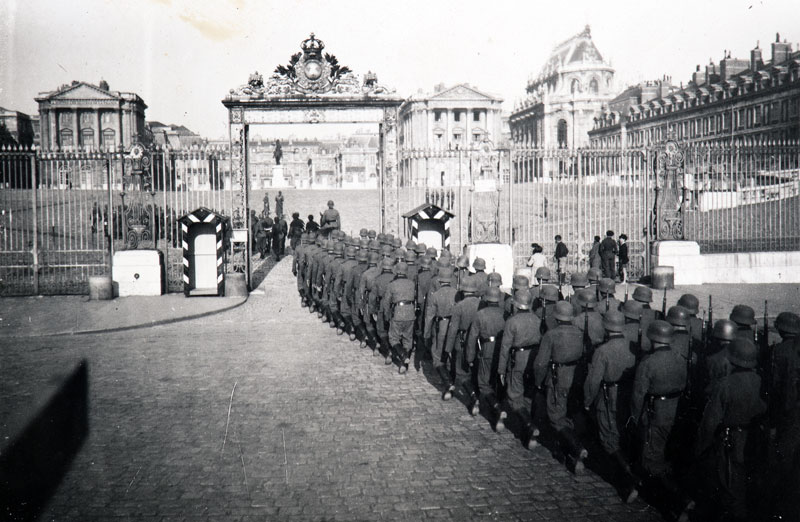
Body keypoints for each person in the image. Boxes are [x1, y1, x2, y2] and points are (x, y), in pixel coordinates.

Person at [695, 338, 765, 521]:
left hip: (731, 440)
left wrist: (702, 447)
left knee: (729, 482)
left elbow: (710, 422)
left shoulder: (724, 384)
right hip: (754, 437)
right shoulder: (759, 380)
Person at [535, 301, 588, 472]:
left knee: (556, 417)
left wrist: (538, 381)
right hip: (576, 378)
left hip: (557, 378)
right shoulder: (580, 333)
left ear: (557, 317)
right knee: (570, 416)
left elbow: (541, 363)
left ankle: (577, 448)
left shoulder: (551, 335)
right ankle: (568, 452)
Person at [498, 288, 542, 449]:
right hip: (534, 359)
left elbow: (505, 348)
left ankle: (529, 426)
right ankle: (527, 433)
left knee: (515, 396)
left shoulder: (512, 321)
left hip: (518, 360)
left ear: (516, 305)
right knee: (528, 397)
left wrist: (501, 369)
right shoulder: (537, 319)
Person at [466, 286, 507, 430]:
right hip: (502, 349)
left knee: (484, 383)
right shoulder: (505, 313)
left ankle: (497, 408)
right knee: (498, 381)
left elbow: (472, 338)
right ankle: (497, 409)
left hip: (487, 348)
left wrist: (470, 358)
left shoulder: (480, 314)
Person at [382, 261, 417, 374]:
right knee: (408, 339)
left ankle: (402, 355)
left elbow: (386, 302)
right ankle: (403, 365)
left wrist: (387, 315)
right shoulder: (412, 283)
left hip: (398, 312)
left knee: (393, 338)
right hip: (410, 312)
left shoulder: (392, 284)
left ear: (396, 271)